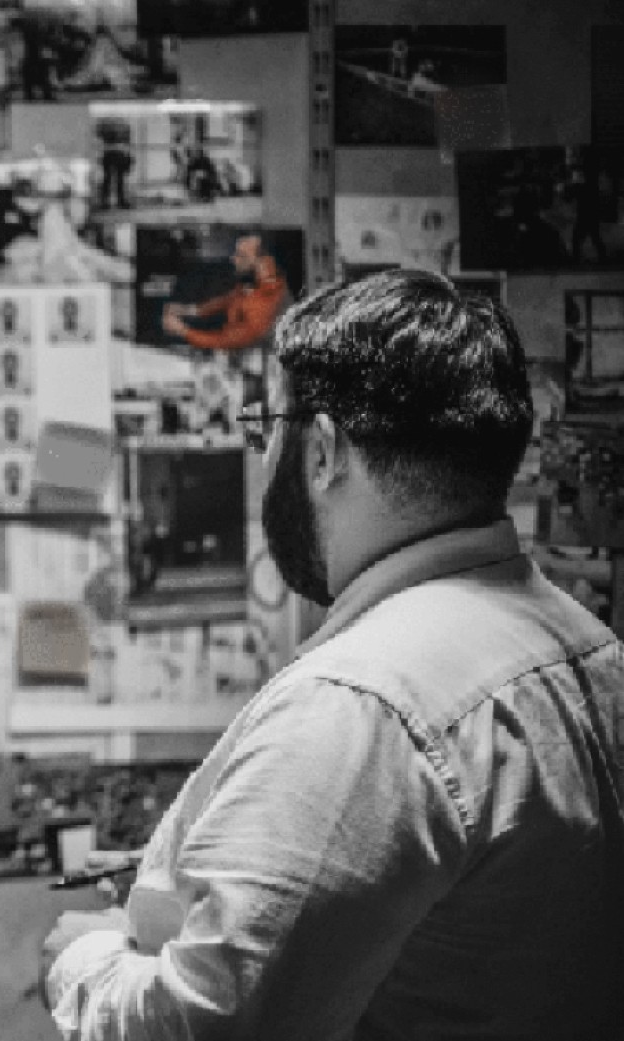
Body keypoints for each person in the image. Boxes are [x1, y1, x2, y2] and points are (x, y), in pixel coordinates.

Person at [42, 270, 624, 1039]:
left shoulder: (359, 705)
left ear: (321, 451)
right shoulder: (593, 651)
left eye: (265, 428)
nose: (263, 460)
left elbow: (199, 1027)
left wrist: (82, 958)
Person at [161, 233, 288, 352]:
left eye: (241, 255)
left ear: (262, 263)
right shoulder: (251, 285)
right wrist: (189, 310)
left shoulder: (266, 299)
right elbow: (226, 300)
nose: (233, 259)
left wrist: (182, 330)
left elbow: (225, 341)